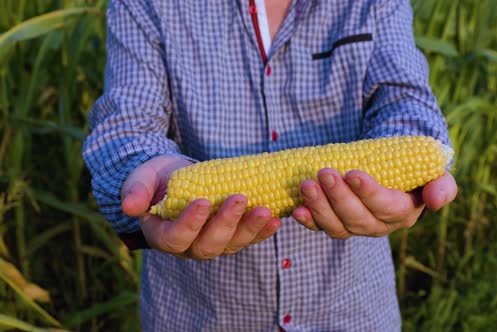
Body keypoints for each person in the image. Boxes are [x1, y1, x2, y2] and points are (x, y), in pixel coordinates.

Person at [83, 0, 458, 330]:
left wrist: (410, 171)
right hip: (203, 314)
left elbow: (405, 100)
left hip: (349, 308)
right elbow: (128, 126)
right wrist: (145, 167)